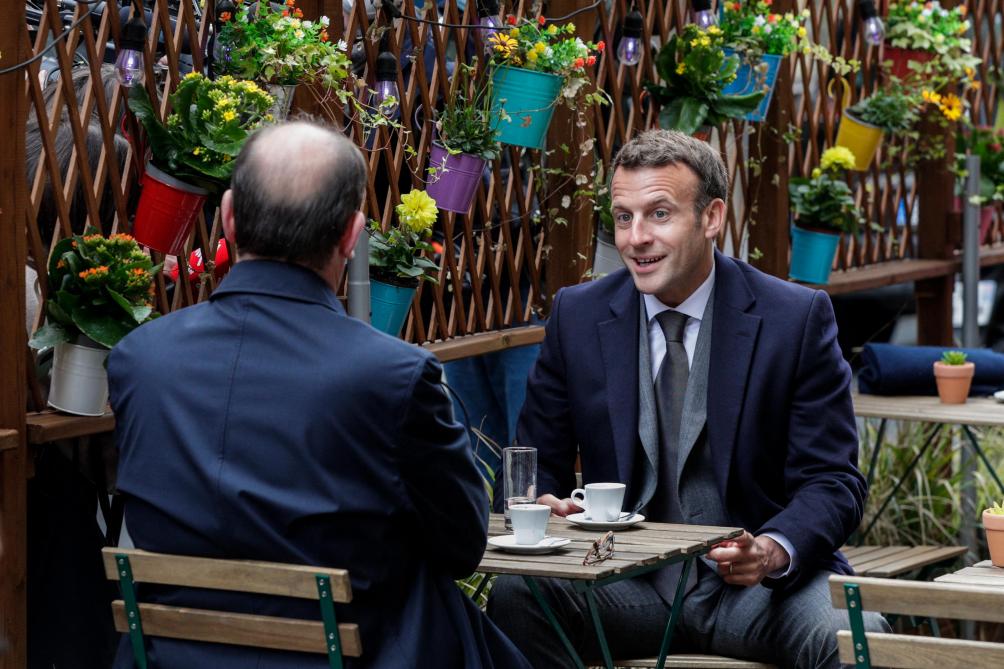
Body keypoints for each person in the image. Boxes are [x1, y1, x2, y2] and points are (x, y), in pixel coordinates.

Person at [107, 121, 530, 669]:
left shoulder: (140, 359)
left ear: (229, 217)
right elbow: (460, 546)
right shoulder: (393, 374)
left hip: (171, 658)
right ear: (352, 236)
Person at [487, 129, 888, 668]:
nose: (635, 238)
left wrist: (772, 550)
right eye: (623, 217)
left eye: (659, 214)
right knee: (517, 599)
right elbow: (535, 468)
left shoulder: (794, 318)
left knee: (852, 631)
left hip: (761, 593)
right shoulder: (578, 315)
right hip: (626, 586)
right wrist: (540, 506)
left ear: (712, 217)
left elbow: (834, 481)